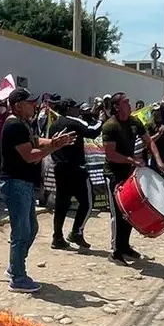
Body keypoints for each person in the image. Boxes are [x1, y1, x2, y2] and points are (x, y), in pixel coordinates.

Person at [0, 88, 76, 292]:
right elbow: (30, 155)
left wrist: (53, 141)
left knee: (31, 229)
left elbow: (35, 141)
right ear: (17, 105)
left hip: (23, 184)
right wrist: (55, 147)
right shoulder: (14, 125)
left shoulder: (22, 124)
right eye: (29, 102)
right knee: (21, 232)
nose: (34, 105)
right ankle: (17, 277)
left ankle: (15, 267)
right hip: (15, 184)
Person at [101, 92, 164, 265]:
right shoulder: (110, 126)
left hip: (129, 173)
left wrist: (158, 161)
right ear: (116, 107)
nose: (129, 104)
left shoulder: (134, 122)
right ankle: (115, 252)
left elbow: (149, 141)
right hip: (113, 174)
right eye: (126, 102)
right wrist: (132, 160)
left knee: (129, 212)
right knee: (117, 212)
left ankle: (125, 246)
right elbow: (111, 154)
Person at [49, 97, 102, 250]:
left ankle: (57, 237)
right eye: (75, 107)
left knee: (62, 204)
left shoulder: (54, 124)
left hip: (59, 168)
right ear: (68, 108)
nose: (78, 110)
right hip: (75, 169)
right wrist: (100, 120)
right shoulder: (73, 122)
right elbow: (92, 132)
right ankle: (76, 232)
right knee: (86, 203)